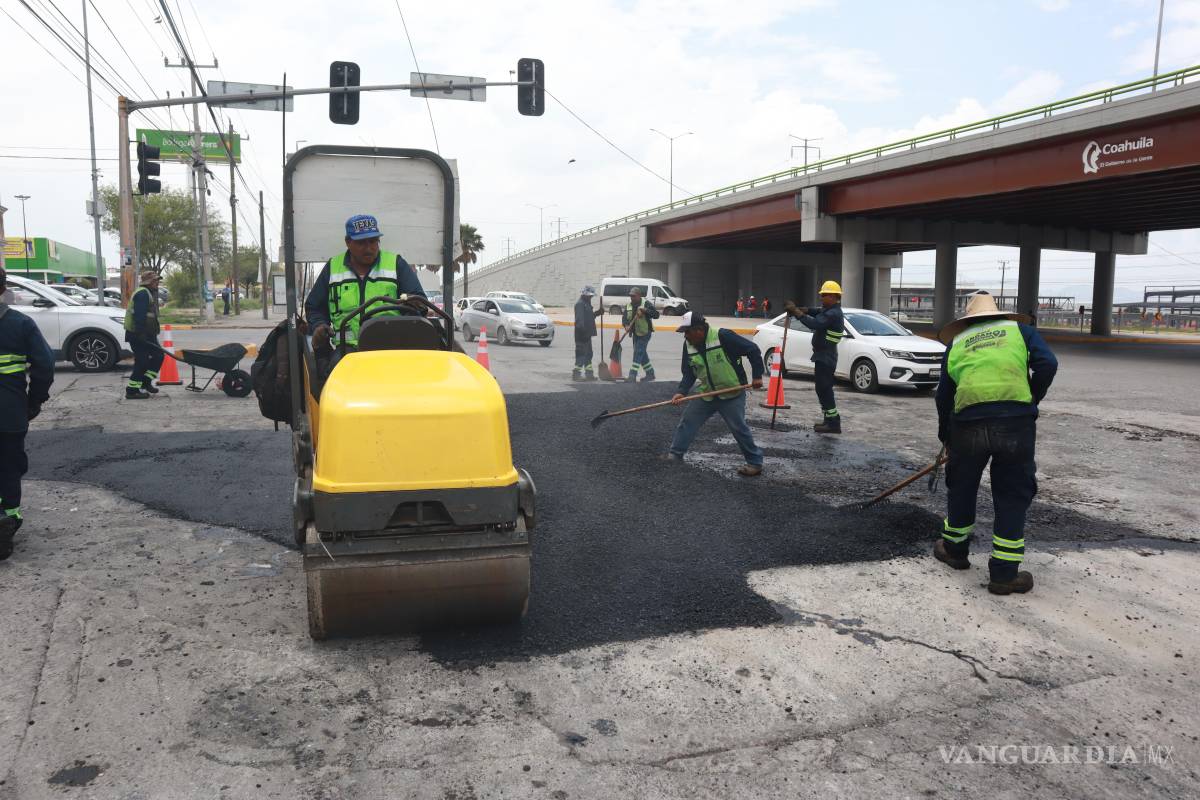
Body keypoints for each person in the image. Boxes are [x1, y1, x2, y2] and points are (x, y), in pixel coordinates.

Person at [933, 291, 1057, 596]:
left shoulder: (958, 342)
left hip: (967, 424)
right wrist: (1032, 398)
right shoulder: (1021, 331)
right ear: (998, 314)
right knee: (1012, 493)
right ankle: (1003, 575)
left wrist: (946, 435)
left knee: (962, 487)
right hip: (1015, 423)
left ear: (968, 320)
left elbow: (944, 395)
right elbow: (1048, 364)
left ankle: (955, 551)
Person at [304, 214, 426, 357]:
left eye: (373, 241)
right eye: (361, 243)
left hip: (391, 348)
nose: (368, 248)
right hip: (347, 350)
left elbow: (419, 301)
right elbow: (314, 307)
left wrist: (415, 305)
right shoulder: (332, 268)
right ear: (348, 242)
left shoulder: (396, 264)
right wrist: (319, 325)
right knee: (334, 368)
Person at [667, 312, 765, 476]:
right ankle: (675, 454)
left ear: (699, 330)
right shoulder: (689, 345)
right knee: (688, 421)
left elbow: (752, 349)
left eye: (687, 332)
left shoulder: (723, 336)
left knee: (738, 428)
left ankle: (755, 463)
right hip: (707, 393)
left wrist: (757, 376)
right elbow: (689, 372)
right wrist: (681, 392)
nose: (685, 336)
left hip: (731, 392)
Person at [0, 267, 54, 559]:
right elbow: (44, 365)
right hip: (9, 413)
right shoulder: (20, 324)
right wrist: (34, 402)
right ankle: (8, 518)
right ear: (3, 288)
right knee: (9, 466)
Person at [784, 281, 845, 433]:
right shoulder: (829, 310)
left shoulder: (833, 314)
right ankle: (829, 420)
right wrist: (801, 309)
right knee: (821, 388)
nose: (821, 298)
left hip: (826, 356)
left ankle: (833, 423)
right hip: (823, 354)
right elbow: (816, 311)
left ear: (833, 297)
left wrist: (797, 312)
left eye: (824, 295)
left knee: (824, 388)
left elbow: (815, 324)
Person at [124, 270, 165, 399]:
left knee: (158, 356)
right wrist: (140, 334)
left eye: (157, 280)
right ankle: (132, 391)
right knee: (142, 362)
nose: (157, 282)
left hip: (147, 333)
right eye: (155, 280)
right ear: (148, 282)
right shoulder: (142, 294)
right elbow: (139, 316)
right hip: (139, 334)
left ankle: (145, 382)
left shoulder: (147, 292)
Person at [622, 288, 659, 382]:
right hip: (635, 333)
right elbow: (624, 318)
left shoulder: (646, 304)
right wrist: (626, 325)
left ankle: (632, 375)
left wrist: (645, 310)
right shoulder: (629, 306)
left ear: (639, 295)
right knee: (642, 354)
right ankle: (650, 374)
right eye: (631, 296)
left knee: (638, 352)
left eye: (633, 296)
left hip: (645, 332)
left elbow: (656, 315)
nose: (632, 298)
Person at [572, 285, 602, 381]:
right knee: (581, 354)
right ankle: (576, 375)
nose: (591, 297)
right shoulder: (580, 304)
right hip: (582, 335)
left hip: (587, 335)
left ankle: (589, 375)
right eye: (590, 296)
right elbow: (579, 321)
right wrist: (583, 334)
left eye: (591, 296)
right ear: (585, 294)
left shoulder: (586, 303)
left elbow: (589, 317)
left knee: (588, 354)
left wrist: (597, 313)